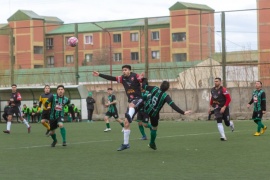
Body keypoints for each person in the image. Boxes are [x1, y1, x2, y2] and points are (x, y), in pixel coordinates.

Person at [93, 65, 144, 151]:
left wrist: (142, 79)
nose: (124, 71)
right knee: (126, 123)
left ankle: (129, 116)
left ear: (130, 71)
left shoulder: (135, 76)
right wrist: (99, 74)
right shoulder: (122, 78)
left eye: (125, 70)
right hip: (131, 101)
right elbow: (111, 78)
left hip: (139, 99)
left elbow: (142, 81)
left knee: (131, 107)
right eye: (123, 70)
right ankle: (126, 144)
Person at [141, 79, 191, 150]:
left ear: (160, 85)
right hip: (154, 114)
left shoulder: (154, 88)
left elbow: (143, 86)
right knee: (154, 128)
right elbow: (173, 105)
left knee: (145, 125)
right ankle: (152, 143)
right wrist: (183, 112)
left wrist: (143, 79)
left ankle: (152, 142)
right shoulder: (165, 96)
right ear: (167, 89)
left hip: (147, 109)